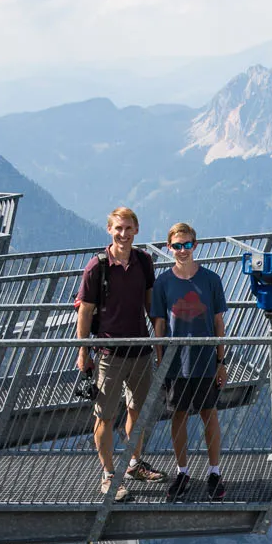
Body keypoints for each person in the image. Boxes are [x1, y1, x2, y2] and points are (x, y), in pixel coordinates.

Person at [76, 207, 165, 501]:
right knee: (104, 416)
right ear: (109, 230)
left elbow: (151, 306)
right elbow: (85, 312)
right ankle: (108, 474)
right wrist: (83, 351)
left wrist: (158, 343)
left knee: (137, 411)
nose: (123, 234)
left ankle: (133, 464)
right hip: (108, 352)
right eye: (118, 228)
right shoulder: (96, 267)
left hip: (139, 350)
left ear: (137, 230)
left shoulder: (144, 262)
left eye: (128, 228)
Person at [151, 223, 229, 501]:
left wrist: (222, 361)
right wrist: (161, 362)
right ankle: (182, 471)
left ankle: (215, 471)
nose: (182, 250)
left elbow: (219, 323)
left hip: (206, 359)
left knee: (210, 414)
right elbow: (159, 325)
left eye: (187, 245)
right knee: (179, 416)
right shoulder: (162, 283)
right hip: (175, 363)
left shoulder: (211, 280)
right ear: (168, 247)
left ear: (195, 246)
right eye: (176, 245)